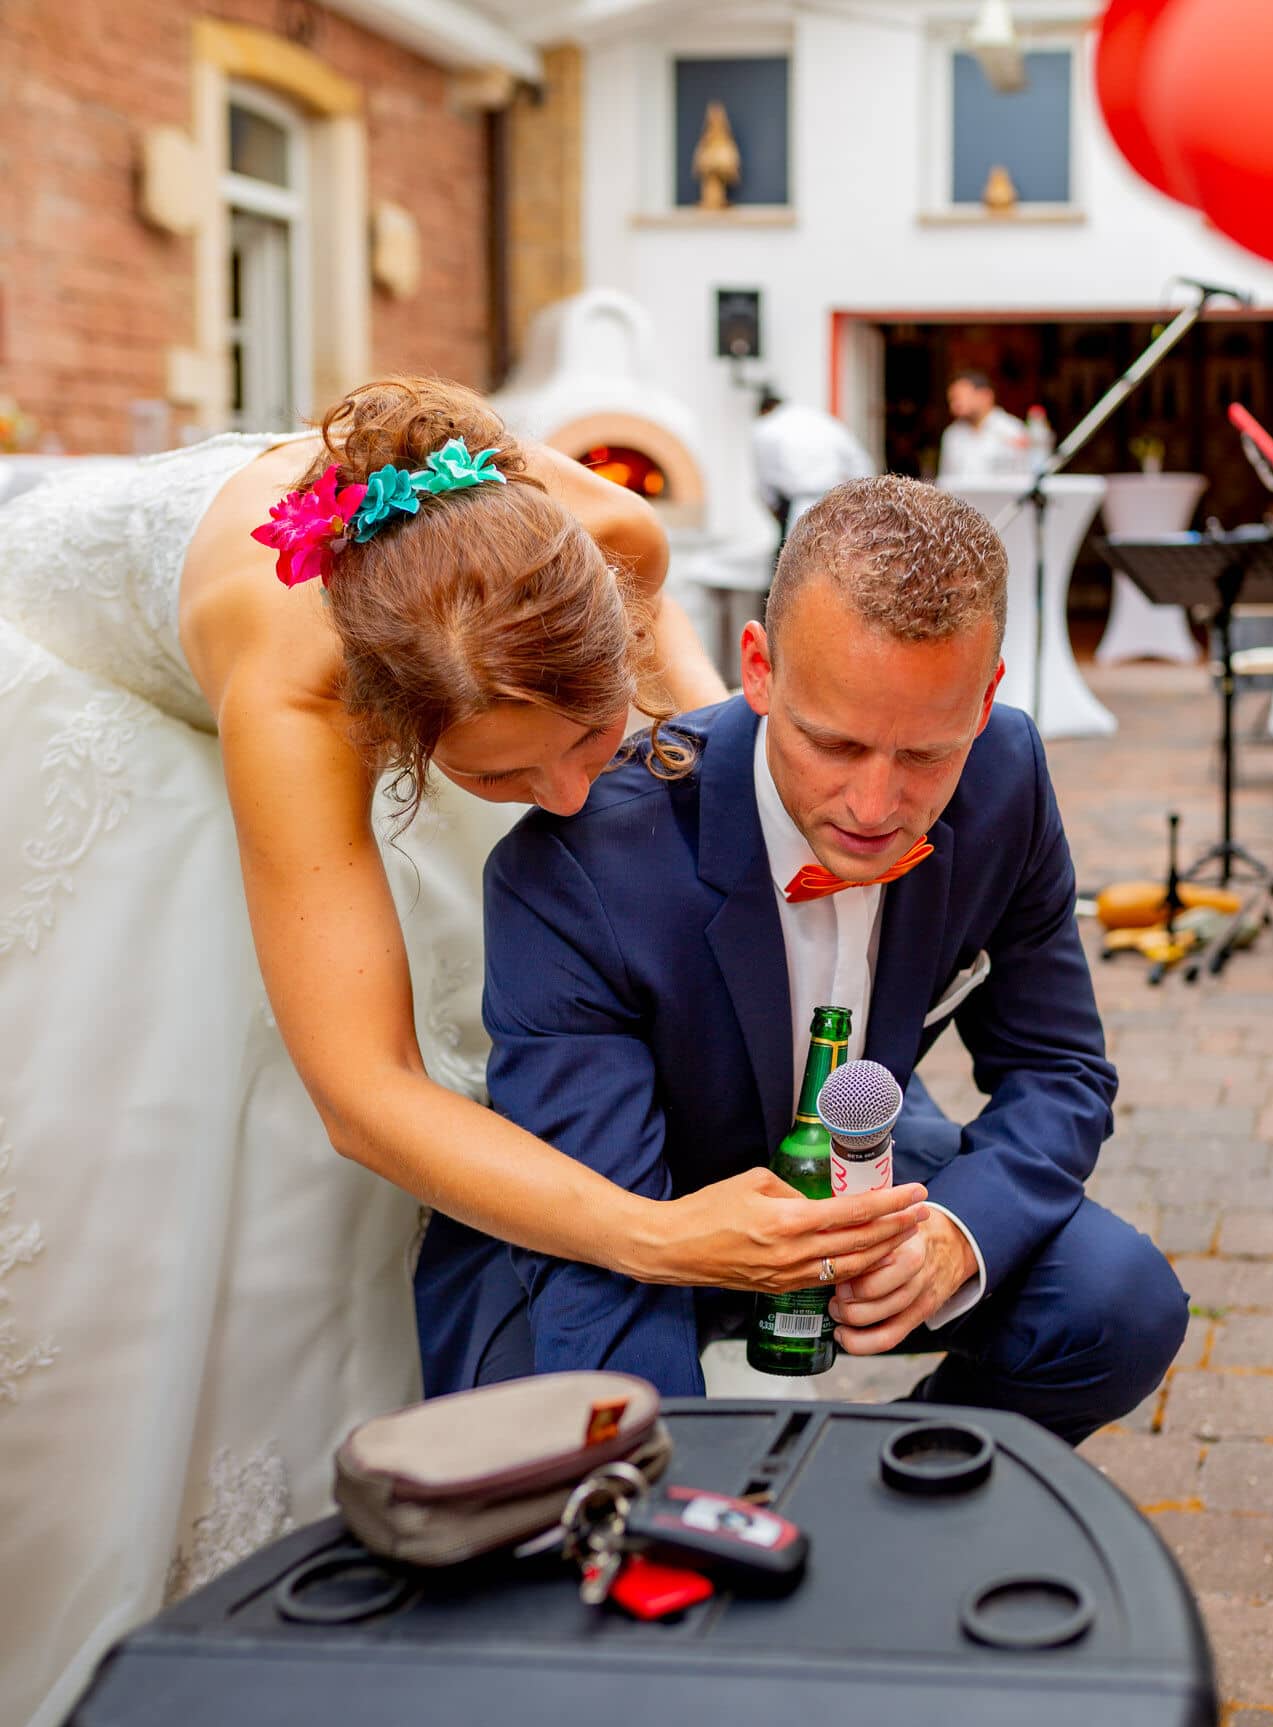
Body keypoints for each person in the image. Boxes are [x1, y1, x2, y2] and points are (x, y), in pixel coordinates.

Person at [0, 379, 919, 1727]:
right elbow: (366, 1099)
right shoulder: (301, 684)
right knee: (239, 1154)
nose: (572, 800)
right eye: (512, 779)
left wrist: (743, 812)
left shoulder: (600, 540)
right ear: (393, 731)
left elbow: (681, 714)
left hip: (442, 635)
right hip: (93, 682)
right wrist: (662, 1234)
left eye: (584, 741)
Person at [416, 476, 1188, 1436]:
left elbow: (1059, 1067)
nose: (873, 807)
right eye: (833, 743)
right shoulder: (578, 866)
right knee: (571, 1446)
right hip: (621, 1222)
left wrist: (956, 1234)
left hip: (854, 1196)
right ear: (760, 669)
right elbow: (600, 1247)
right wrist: (682, 1510)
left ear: (985, 700)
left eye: (923, 757)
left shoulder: (1006, 778)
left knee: (1119, 1304)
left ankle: (902, 1491)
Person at [751, 388, 875, 549]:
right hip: (836, 501)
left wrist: (773, 507)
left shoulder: (766, 427)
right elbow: (859, 461)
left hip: (797, 505)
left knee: (797, 561)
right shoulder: (821, 419)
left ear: (764, 410)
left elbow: (765, 478)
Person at [938, 370, 1032, 479]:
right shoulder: (952, 434)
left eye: (959, 398)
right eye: (952, 400)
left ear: (985, 395)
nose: (954, 407)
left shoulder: (1012, 430)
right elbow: (945, 481)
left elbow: (1023, 478)